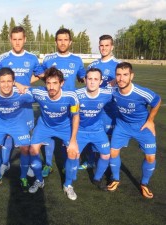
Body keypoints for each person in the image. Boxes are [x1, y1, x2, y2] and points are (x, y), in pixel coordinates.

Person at [0, 26, 44, 177]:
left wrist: (27, 84)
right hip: (7, 104)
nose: (17, 42)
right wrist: (15, 84)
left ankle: (25, 166)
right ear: (10, 40)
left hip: (25, 107)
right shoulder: (3, 58)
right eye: (14, 39)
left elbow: (40, 75)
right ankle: (5, 163)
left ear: (25, 39)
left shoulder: (32, 58)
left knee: (25, 141)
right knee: (7, 136)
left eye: (20, 39)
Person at [107, 62, 161, 199]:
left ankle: (144, 184)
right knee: (113, 152)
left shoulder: (140, 92)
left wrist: (150, 121)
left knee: (150, 157)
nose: (121, 78)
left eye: (125, 75)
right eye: (118, 75)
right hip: (122, 126)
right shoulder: (112, 90)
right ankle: (116, 179)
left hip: (142, 126)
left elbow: (157, 100)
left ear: (132, 76)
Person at [28, 67, 80, 201]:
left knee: (73, 152)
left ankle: (68, 185)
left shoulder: (71, 96)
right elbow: (23, 89)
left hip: (64, 127)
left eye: (55, 83)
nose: (51, 87)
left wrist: (73, 140)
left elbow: (75, 116)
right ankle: (39, 180)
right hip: (44, 126)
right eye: (48, 83)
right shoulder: (39, 93)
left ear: (61, 83)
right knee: (33, 150)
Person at [40, 28, 86, 177]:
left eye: (65, 39)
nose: (63, 42)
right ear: (56, 41)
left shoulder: (77, 60)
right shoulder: (48, 59)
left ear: (70, 41)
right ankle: (48, 164)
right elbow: (39, 74)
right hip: (52, 103)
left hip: (70, 104)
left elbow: (83, 77)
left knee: (70, 135)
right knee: (49, 136)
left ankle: (67, 164)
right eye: (60, 39)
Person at [0, 67, 35, 192]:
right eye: (3, 81)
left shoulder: (21, 93)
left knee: (25, 149)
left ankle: (23, 177)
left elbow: (41, 94)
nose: (6, 85)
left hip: (18, 124)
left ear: (14, 82)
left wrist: (24, 87)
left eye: (9, 81)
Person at [79, 34, 120, 170]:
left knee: (108, 138)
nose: (104, 48)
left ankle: (107, 164)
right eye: (101, 45)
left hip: (110, 110)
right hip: (93, 109)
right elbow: (87, 84)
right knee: (91, 134)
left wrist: (117, 81)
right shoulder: (93, 65)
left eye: (106, 45)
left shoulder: (118, 65)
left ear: (112, 47)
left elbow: (125, 83)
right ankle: (90, 161)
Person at [72, 68, 112, 194]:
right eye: (89, 79)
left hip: (98, 131)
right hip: (80, 131)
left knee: (106, 155)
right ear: (85, 80)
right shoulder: (76, 95)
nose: (92, 82)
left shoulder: (107, 94)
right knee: (74, 155)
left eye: (96, 79)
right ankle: (70, 179)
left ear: (100, 82)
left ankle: (97, 178)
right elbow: (71, 114)